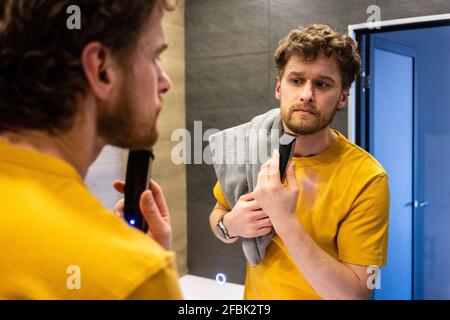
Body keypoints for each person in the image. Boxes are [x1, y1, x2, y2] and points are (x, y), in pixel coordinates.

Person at [0, 0, 182, 299]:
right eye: (154, 58)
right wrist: (141, 267)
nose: (165, 83)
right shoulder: (135, 276)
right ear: (101, 70)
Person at [209, 24, 390, 300]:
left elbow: (355, 295)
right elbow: (219, 215)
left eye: (322, 84)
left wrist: (285, 219)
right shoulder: (253, 148)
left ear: (342, 96)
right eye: (296, 80)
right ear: (279, 87)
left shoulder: (367, 178)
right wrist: (230, 225)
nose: (307, 94)